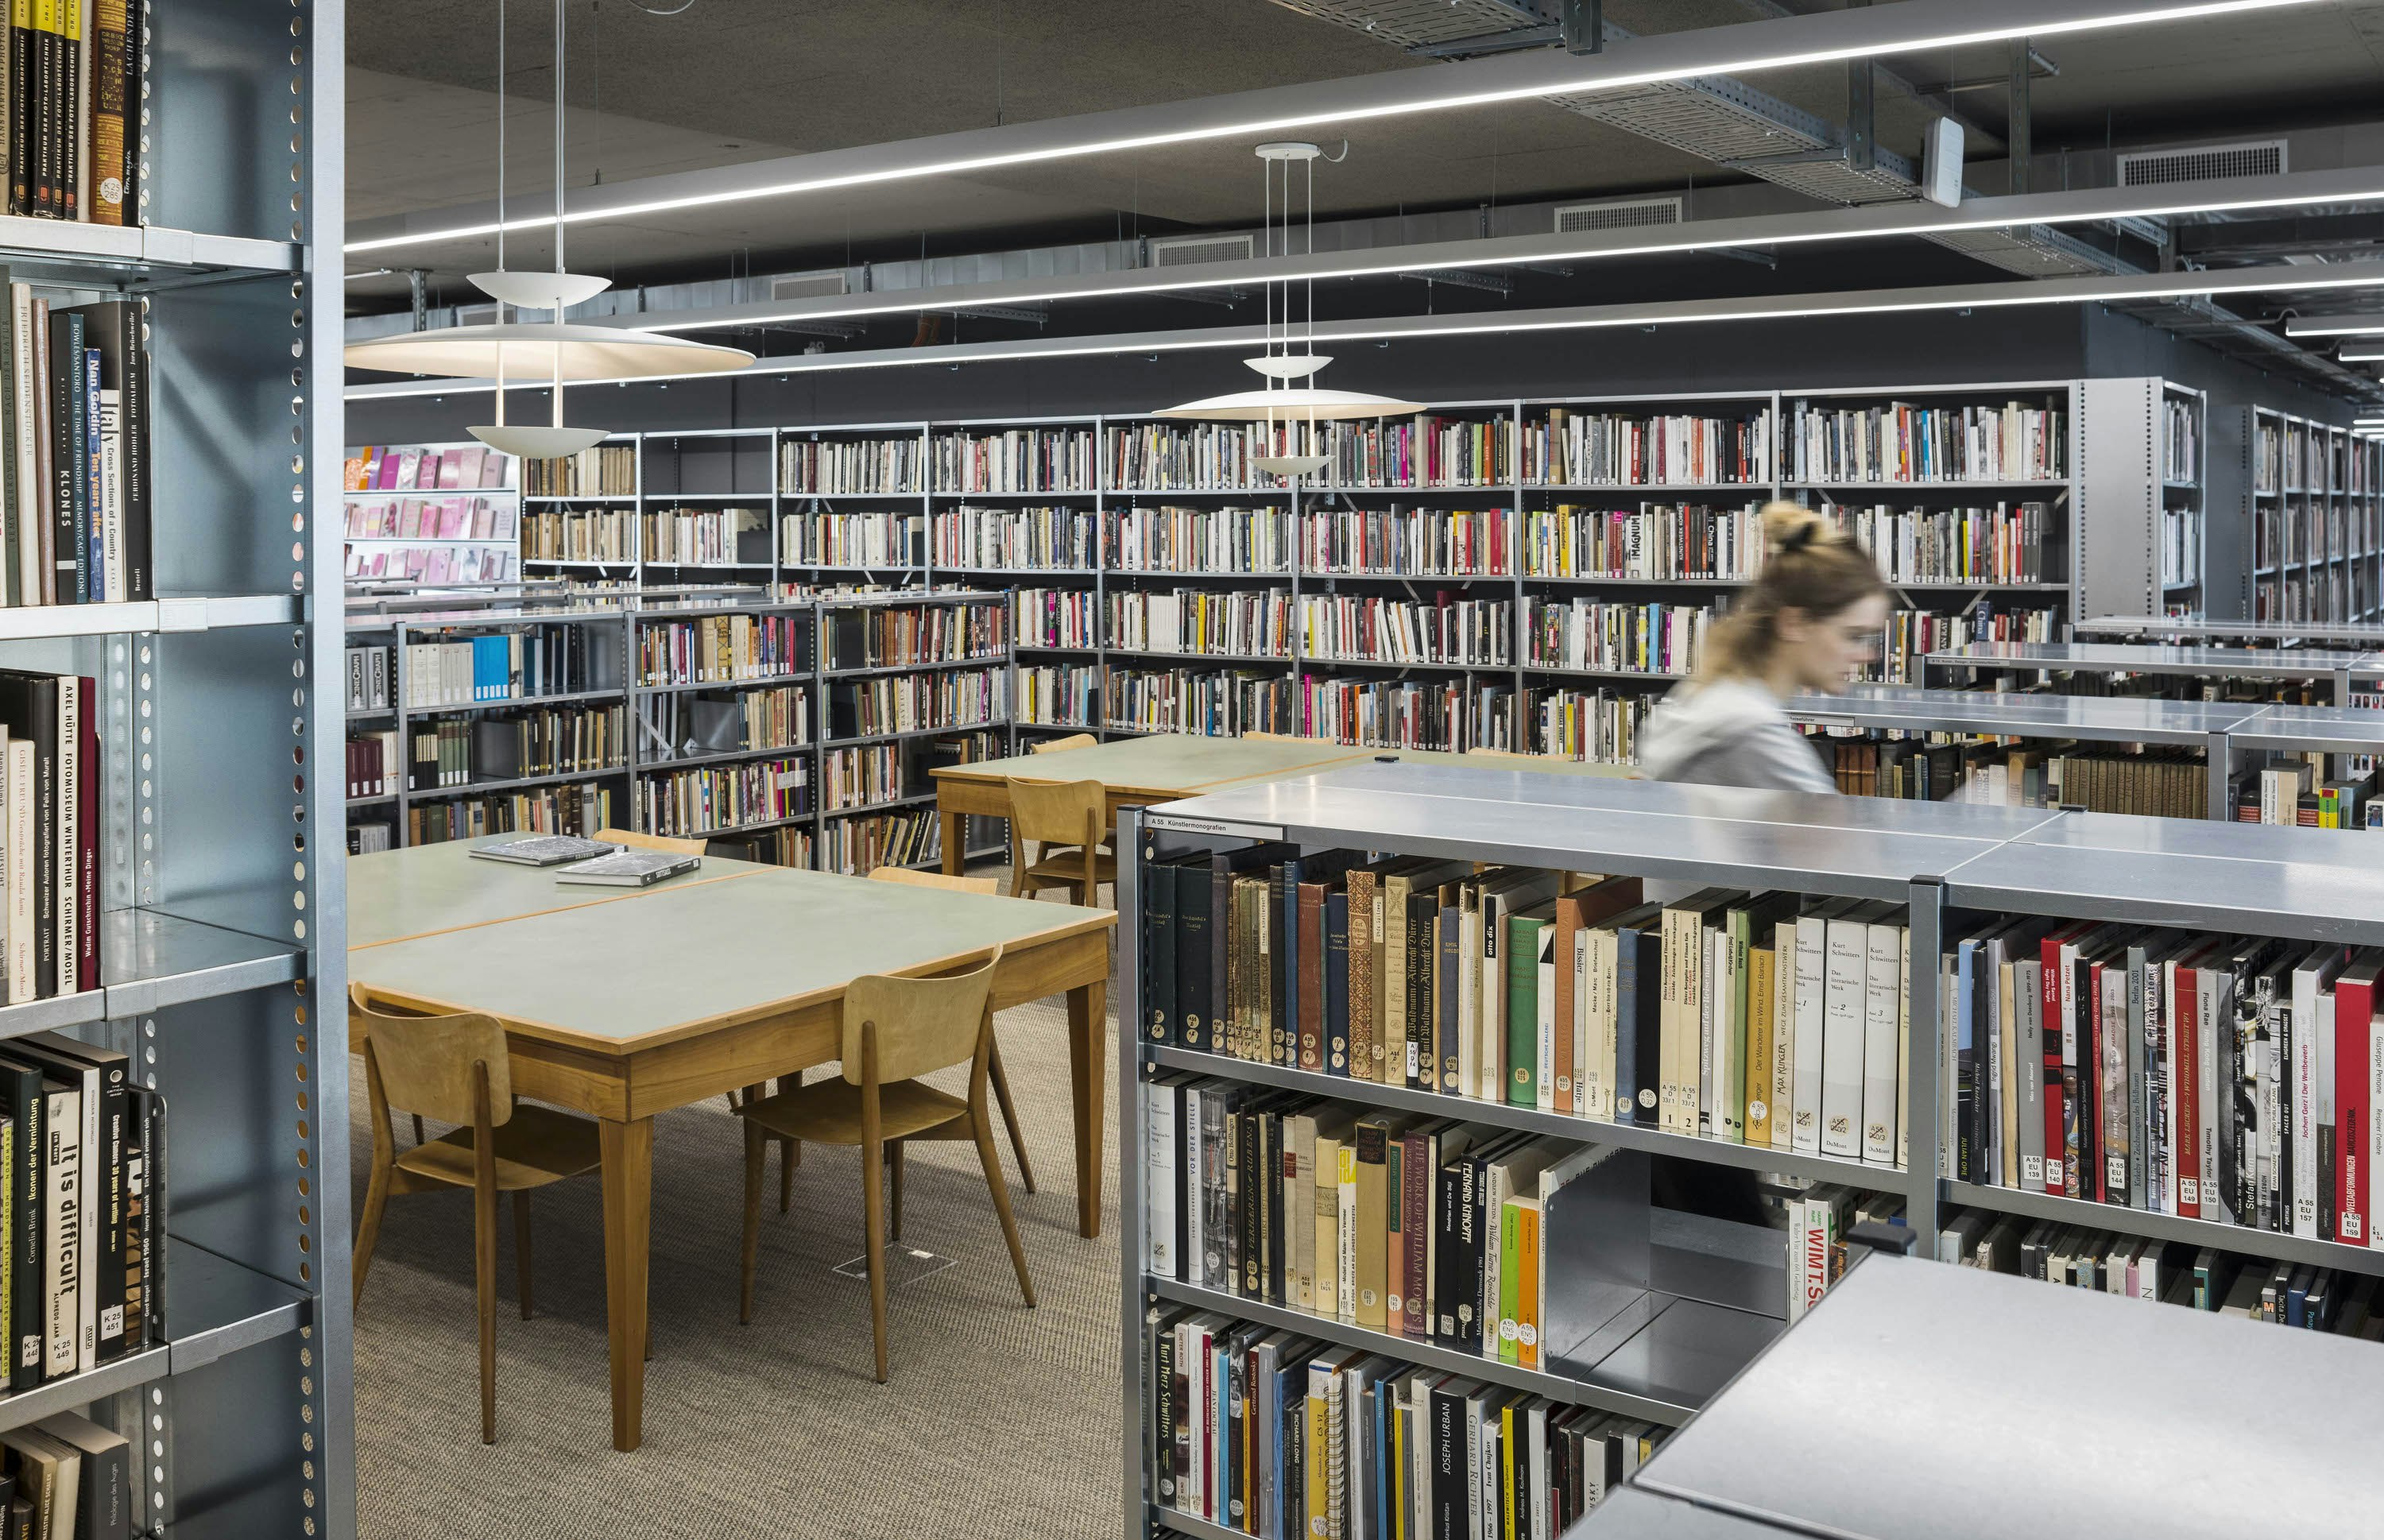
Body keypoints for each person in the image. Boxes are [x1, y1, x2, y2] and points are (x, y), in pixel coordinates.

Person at [1639, 501, 1890, 793]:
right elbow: (1835, 835)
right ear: (1794, 623)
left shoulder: (1710, 693)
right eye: (1853, 636)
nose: (1867, 655)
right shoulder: (1753, 736)